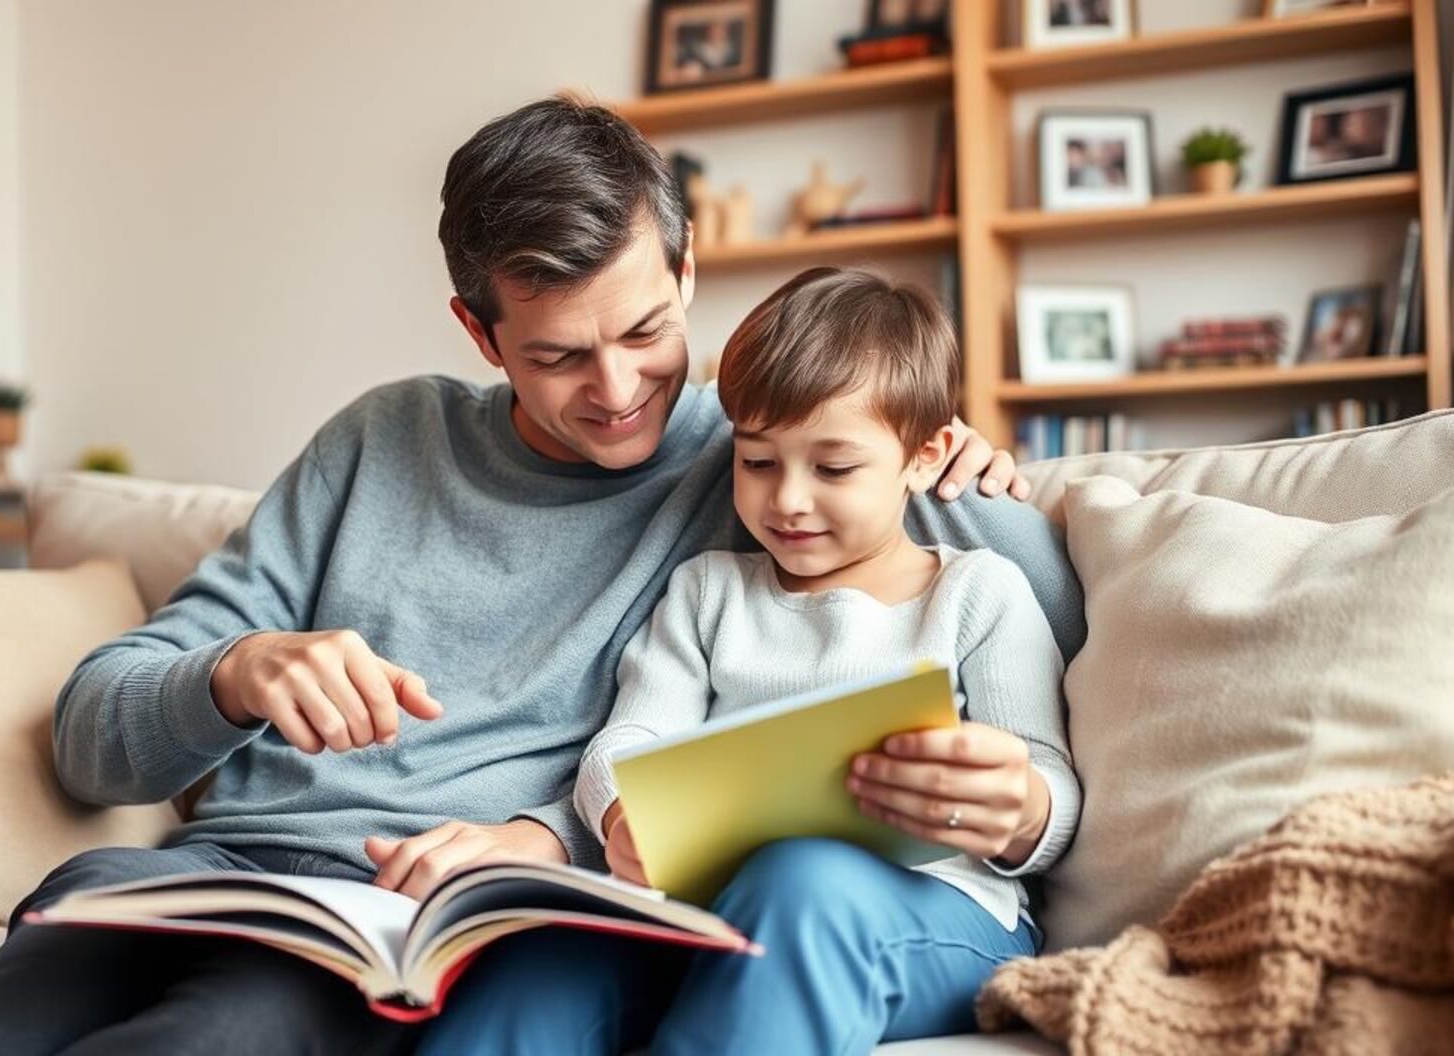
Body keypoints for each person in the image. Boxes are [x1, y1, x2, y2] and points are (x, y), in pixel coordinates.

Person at [0, 95, 1081, 1056]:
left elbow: (991, 592)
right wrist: (234, 670)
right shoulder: (381, 440)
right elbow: (88, 737)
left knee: (212, 1038)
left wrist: (974, 468)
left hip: (419, 926)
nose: (618, 391)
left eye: (644, 334)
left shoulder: (759, 462)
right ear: (479, 333)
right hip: (218, 875)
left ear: (687, 268)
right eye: (558, 356)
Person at [416, 266, 1078, 1055]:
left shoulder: (976, 593)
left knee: (801, 883)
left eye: (833, 469)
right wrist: (624, 814)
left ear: (923, 455)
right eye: (758, 462)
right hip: (716, 906)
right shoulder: (708, 592)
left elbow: (1050, 784)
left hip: (942, 914)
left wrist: (1022, 810)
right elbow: (625, 743)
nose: (788, 499)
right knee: (547, 958)